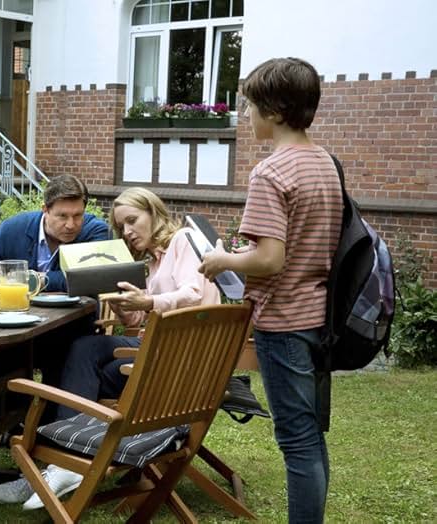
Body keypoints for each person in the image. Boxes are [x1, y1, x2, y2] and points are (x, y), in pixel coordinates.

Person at [0, 186, 220, 510]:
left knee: (84, 350)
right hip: (160, 354)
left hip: (179, 363)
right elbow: (139, 318)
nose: (126, 231)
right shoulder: (151, 265)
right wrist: (125, 305)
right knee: (84, 353)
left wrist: (149, 299)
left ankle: (65, 461)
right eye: (121, 226)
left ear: (153, 213)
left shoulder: (181, 241)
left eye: (132, 220)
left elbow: (193, 295)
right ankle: (66, 462)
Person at [198, 57, 342, 523]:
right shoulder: (325, 163)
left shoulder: (271, 172)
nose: (245, 115)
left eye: (250, 106)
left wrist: (222, 259)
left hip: (284, 321)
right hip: (321, 315)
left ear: (275, 111)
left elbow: (269, 260)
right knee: (313, 436)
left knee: (297, 442)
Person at [0, 174, 109, 292]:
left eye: (78, 215)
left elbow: (91, 278)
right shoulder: (13, 229)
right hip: (17, 317)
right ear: (45, 210)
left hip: (76, 322)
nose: (71, 225)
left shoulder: (95, 231)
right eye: (62, 216)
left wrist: (34, 279)